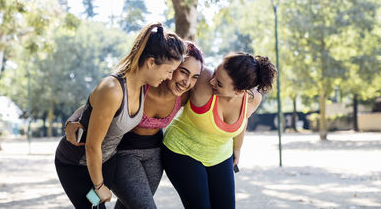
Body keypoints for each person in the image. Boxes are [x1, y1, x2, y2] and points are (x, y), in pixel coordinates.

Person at [54, 22, 185, 209]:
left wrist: (71, 120)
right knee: (94, 207)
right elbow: (92, 146)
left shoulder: (142, 88)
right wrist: (99, 186)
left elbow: (89, 107)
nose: (170, 77)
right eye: (169, 71)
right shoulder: (113, 89)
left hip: (106, 162)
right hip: (77, 165)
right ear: (151, 63)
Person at [162, 52, 277, 209]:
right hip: (182, 150)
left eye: (220, 83)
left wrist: (237, 149)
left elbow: (243, 122)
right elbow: (180, 65)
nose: (212, 81)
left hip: (219, 155)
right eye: (216, 72)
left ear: (239, 91)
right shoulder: (203, 78)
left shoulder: (252, 99)